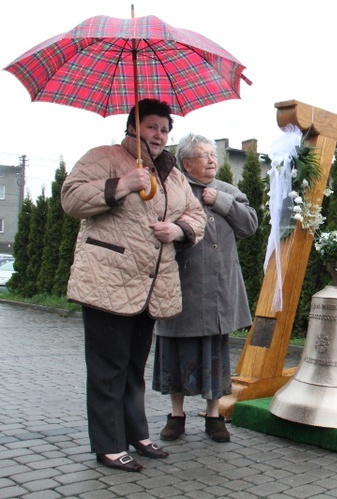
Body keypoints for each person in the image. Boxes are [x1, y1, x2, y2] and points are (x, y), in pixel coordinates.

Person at [61, 99, 206, 472]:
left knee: (132, 368)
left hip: (150, 286)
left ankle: (136, 433)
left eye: (164, 129)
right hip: (107, 281)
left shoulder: (171, 174)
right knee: (107, 368)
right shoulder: (103, 157)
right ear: (132, 127)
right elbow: (72, 198)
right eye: (151, 127)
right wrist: (122, 184)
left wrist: (179, 229)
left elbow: (196, 214)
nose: (158, 135)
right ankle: (108, 445)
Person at [153, 133, 258, 443]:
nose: (212, 160)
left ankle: (214, 417)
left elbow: (249, 226)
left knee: (214, 352)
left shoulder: (227, 190)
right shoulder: (173, 190)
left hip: (218, 287)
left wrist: (220, 201)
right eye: (204, 156)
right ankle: (177, 415)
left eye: (214, 155)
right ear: (187, 163)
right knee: (176, 348)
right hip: (181, 285)